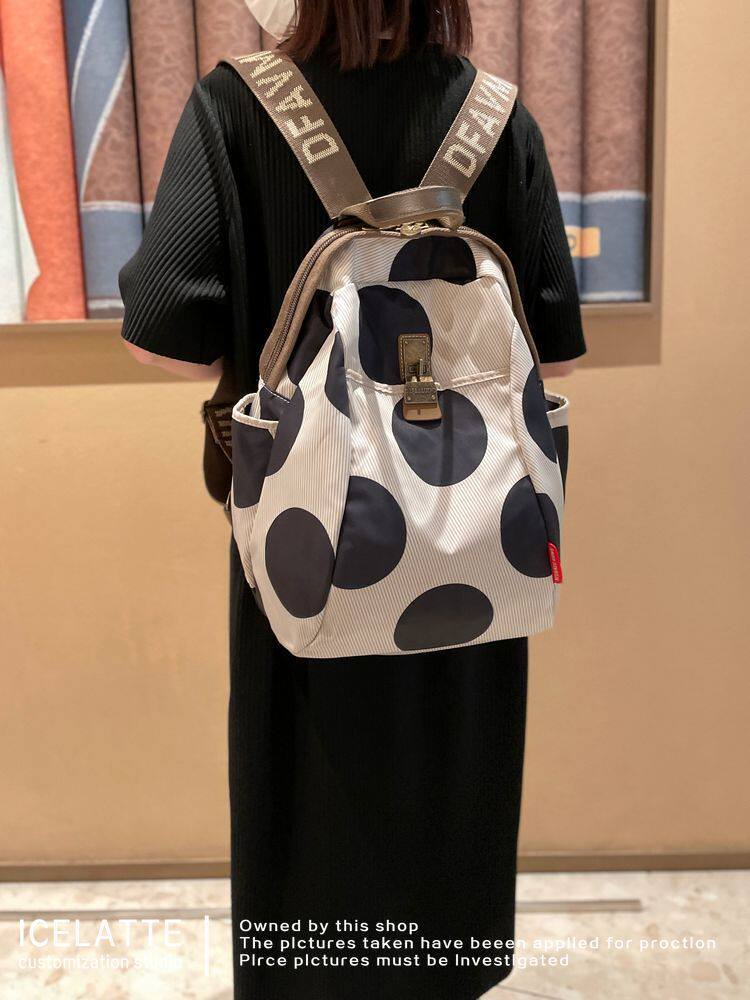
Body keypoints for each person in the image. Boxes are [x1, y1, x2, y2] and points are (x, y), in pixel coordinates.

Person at [119, 2, 585, 997]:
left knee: (306, 803)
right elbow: (556, 344)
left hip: (311, 543)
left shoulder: (234, 109)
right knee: (453, 791)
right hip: (475, 550)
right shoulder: (498, 118)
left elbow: (164, 338)